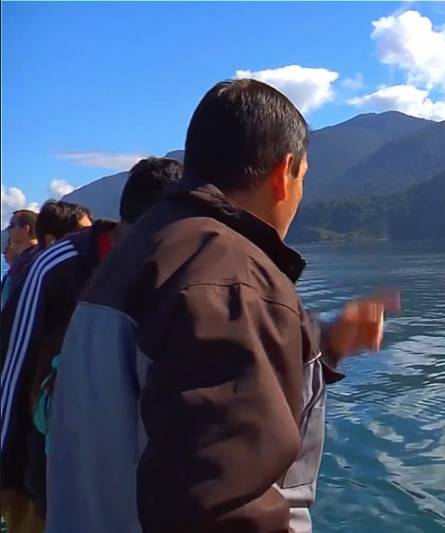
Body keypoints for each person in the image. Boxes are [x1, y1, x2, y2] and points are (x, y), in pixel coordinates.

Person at [47, 79, 398, 533]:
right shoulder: (230, 278)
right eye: (303, 179)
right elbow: (220, 506)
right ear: (283, 172)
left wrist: (325, 345)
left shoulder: (140, 255)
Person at [0, 157, 184, 531]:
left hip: (129, 491)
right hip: (50, 486)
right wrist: (7, 478)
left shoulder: (176, 273)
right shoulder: (59, 266)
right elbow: (11, 368)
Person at [1, 210, 38, 309]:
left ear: (25, 229)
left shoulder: (33, 261)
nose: (8, 229)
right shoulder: (23, 261)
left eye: (12, 225)